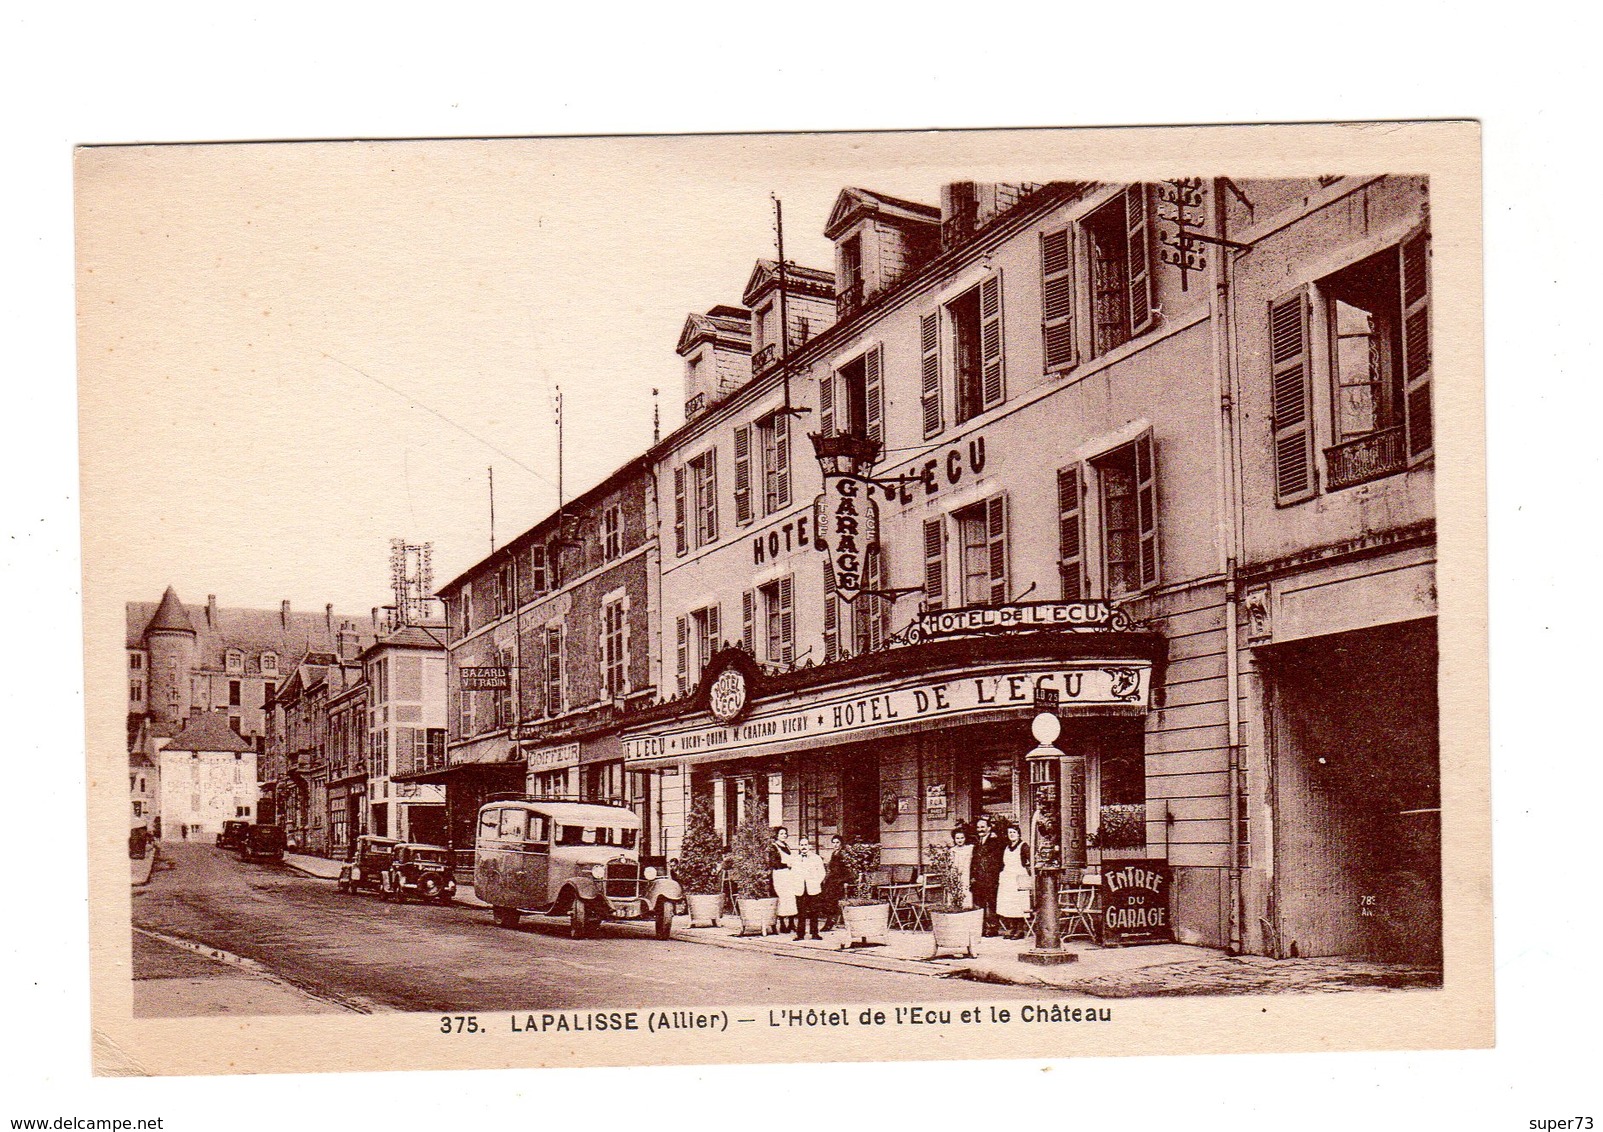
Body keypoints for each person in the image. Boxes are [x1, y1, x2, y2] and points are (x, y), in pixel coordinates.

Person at [995, 822, 1034, 939]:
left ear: (1018, 834)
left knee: (1019, 904)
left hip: (1018, 878)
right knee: (1008, 904)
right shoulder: (1007, 847)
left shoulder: (1024, 846)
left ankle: (1020, 929)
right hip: (1007, 878)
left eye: (1014, 832)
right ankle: (1012, 928)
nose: (1011, 835)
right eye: (1009, 833)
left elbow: (1031, 862)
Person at [971, 815, 1005, 936]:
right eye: (978, 827)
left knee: (991, 903)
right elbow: (974, 861)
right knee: (979, 904)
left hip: (991, 878)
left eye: (983, 827)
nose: (980, 829)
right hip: (978, 879)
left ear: (989, 828)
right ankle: (981, 928)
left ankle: (992, 928)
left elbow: (998, 861)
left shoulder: (996, 841)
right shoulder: (976, 842)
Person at [791, 836, 827, 940]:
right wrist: (796, 884)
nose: (803, 847)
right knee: (801, 912)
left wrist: (816, 882)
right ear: (799, 847)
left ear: (809, 846)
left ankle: (814, 933)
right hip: (800, 889)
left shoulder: (816, 858)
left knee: (814, 911)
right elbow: (793, 874)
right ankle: (800, 934)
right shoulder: (796, 859)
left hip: (813, 888)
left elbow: (822, 873)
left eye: (805, 845)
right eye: (801, 845)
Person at [769, 827, 797, 933]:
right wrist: (786, 864)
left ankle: (791, 923)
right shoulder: (774, 847)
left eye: (785, 833)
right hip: (780, 875)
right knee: (782, 898)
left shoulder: (787, 846)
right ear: (777, 835)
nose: (784, 835)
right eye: (781, 833)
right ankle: (782, 924)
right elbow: (774, 863)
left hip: (789, 875)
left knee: (791, 898)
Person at [821, 834, 848, 929]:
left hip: (839, 881)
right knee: (826, 898)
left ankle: (831, 920)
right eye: (834, 843)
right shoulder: (834, 853)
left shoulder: (842, 854)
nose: (835, 845)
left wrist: (840, 880)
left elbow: (845, 870)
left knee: (831, 899)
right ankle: (830, 919)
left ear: (841, 843)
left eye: (837, 843)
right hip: (832, 880)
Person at [949, 825, 975, 909]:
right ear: (954, 839)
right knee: (955, 892)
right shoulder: (952, 850)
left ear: (965, 838)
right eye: (957, 838)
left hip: (966, 874)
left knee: (966, 892)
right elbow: (950, 864)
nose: (960, 840)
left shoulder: (970, 848)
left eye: (962, 838)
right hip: (955, 874)